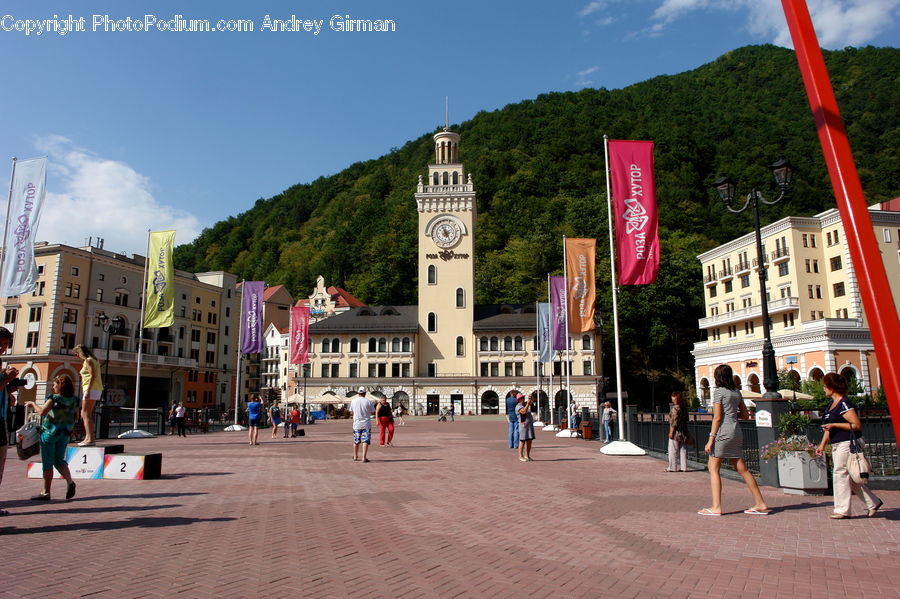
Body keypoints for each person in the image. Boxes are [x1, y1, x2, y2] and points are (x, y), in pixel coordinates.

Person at [699, 364, 768, 516]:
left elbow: (717, 418)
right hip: (736, 431)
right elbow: (745, 414)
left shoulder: (719, 392)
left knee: (713, 467)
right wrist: (731, 416)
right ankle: (760, 502)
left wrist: (711, 439)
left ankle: (716, 507)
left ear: (718, 377)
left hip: (723, 433)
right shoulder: (736, 392)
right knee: (742, 468)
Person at [816, 372, 883, 519]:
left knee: (840, 473)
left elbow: (856, 424)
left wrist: (834, 424)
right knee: (850, 477)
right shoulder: (830, 405)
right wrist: (822, 445)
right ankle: (873, 502)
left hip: (848, 442)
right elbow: (828, 428)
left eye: (825, 386)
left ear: (832, 387)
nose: (824, 388)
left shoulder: (844, 403)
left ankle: (842, 510)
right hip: (837, 443)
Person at [25, 374, 78, 502]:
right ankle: (69, 481)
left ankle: (46, 492)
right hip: (64, 434)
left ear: (60, 386)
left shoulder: (54, 399)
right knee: (59, 460)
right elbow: (75, 418)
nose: (53, 387)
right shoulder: (74, 400)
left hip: (49, 433)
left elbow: (42, 412)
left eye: (54, 385)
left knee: (48, 462)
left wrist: (33, 404)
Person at [0, 327, 18, 515]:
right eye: (1, 343)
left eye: (5, 344)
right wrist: (7, 379)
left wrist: (7, 392)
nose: (2, 348)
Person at [73, 344, 103, 447]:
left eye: (77, 354)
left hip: (91, 388)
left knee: (85, 413)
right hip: (95, 388)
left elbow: (92, 375)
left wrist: (88, 390)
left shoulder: (88, 361)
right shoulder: (94, 360)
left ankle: (90, 438)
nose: (77, 356)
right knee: (85, 413)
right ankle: (88, 437)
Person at [349, 387, 375, 462]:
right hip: (366, 424)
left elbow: (351, 412)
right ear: (365, 393)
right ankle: (364, 457)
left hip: (356, 424)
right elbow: (373, 411)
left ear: (358, 393)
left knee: (356, 441)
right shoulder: (369, 401)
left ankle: (355, 456)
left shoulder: (353, 401)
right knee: (365, 441)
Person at [667, 391, 690, 472]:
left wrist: (671, 432)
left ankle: (672, 467)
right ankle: (684, 467)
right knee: (683, 449)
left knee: (673, 450)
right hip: (684, 431)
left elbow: (674, 422)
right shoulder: (684, 409)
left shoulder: (675, 409)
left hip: (676, 432)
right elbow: (687, 419)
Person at [517, 393, 536, 462]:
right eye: (522, 398)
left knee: (529, 440)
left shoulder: (524, 404)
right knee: (522, 441)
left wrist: (531, 397)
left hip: (529, 426)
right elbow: (523, 411)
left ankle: (527, 455)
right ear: (519, 400)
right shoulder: (518, 406)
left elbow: (532, 401)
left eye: (523, 398)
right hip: (523, 426)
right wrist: (527, 404)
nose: (523, 399)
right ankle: (520, 456)